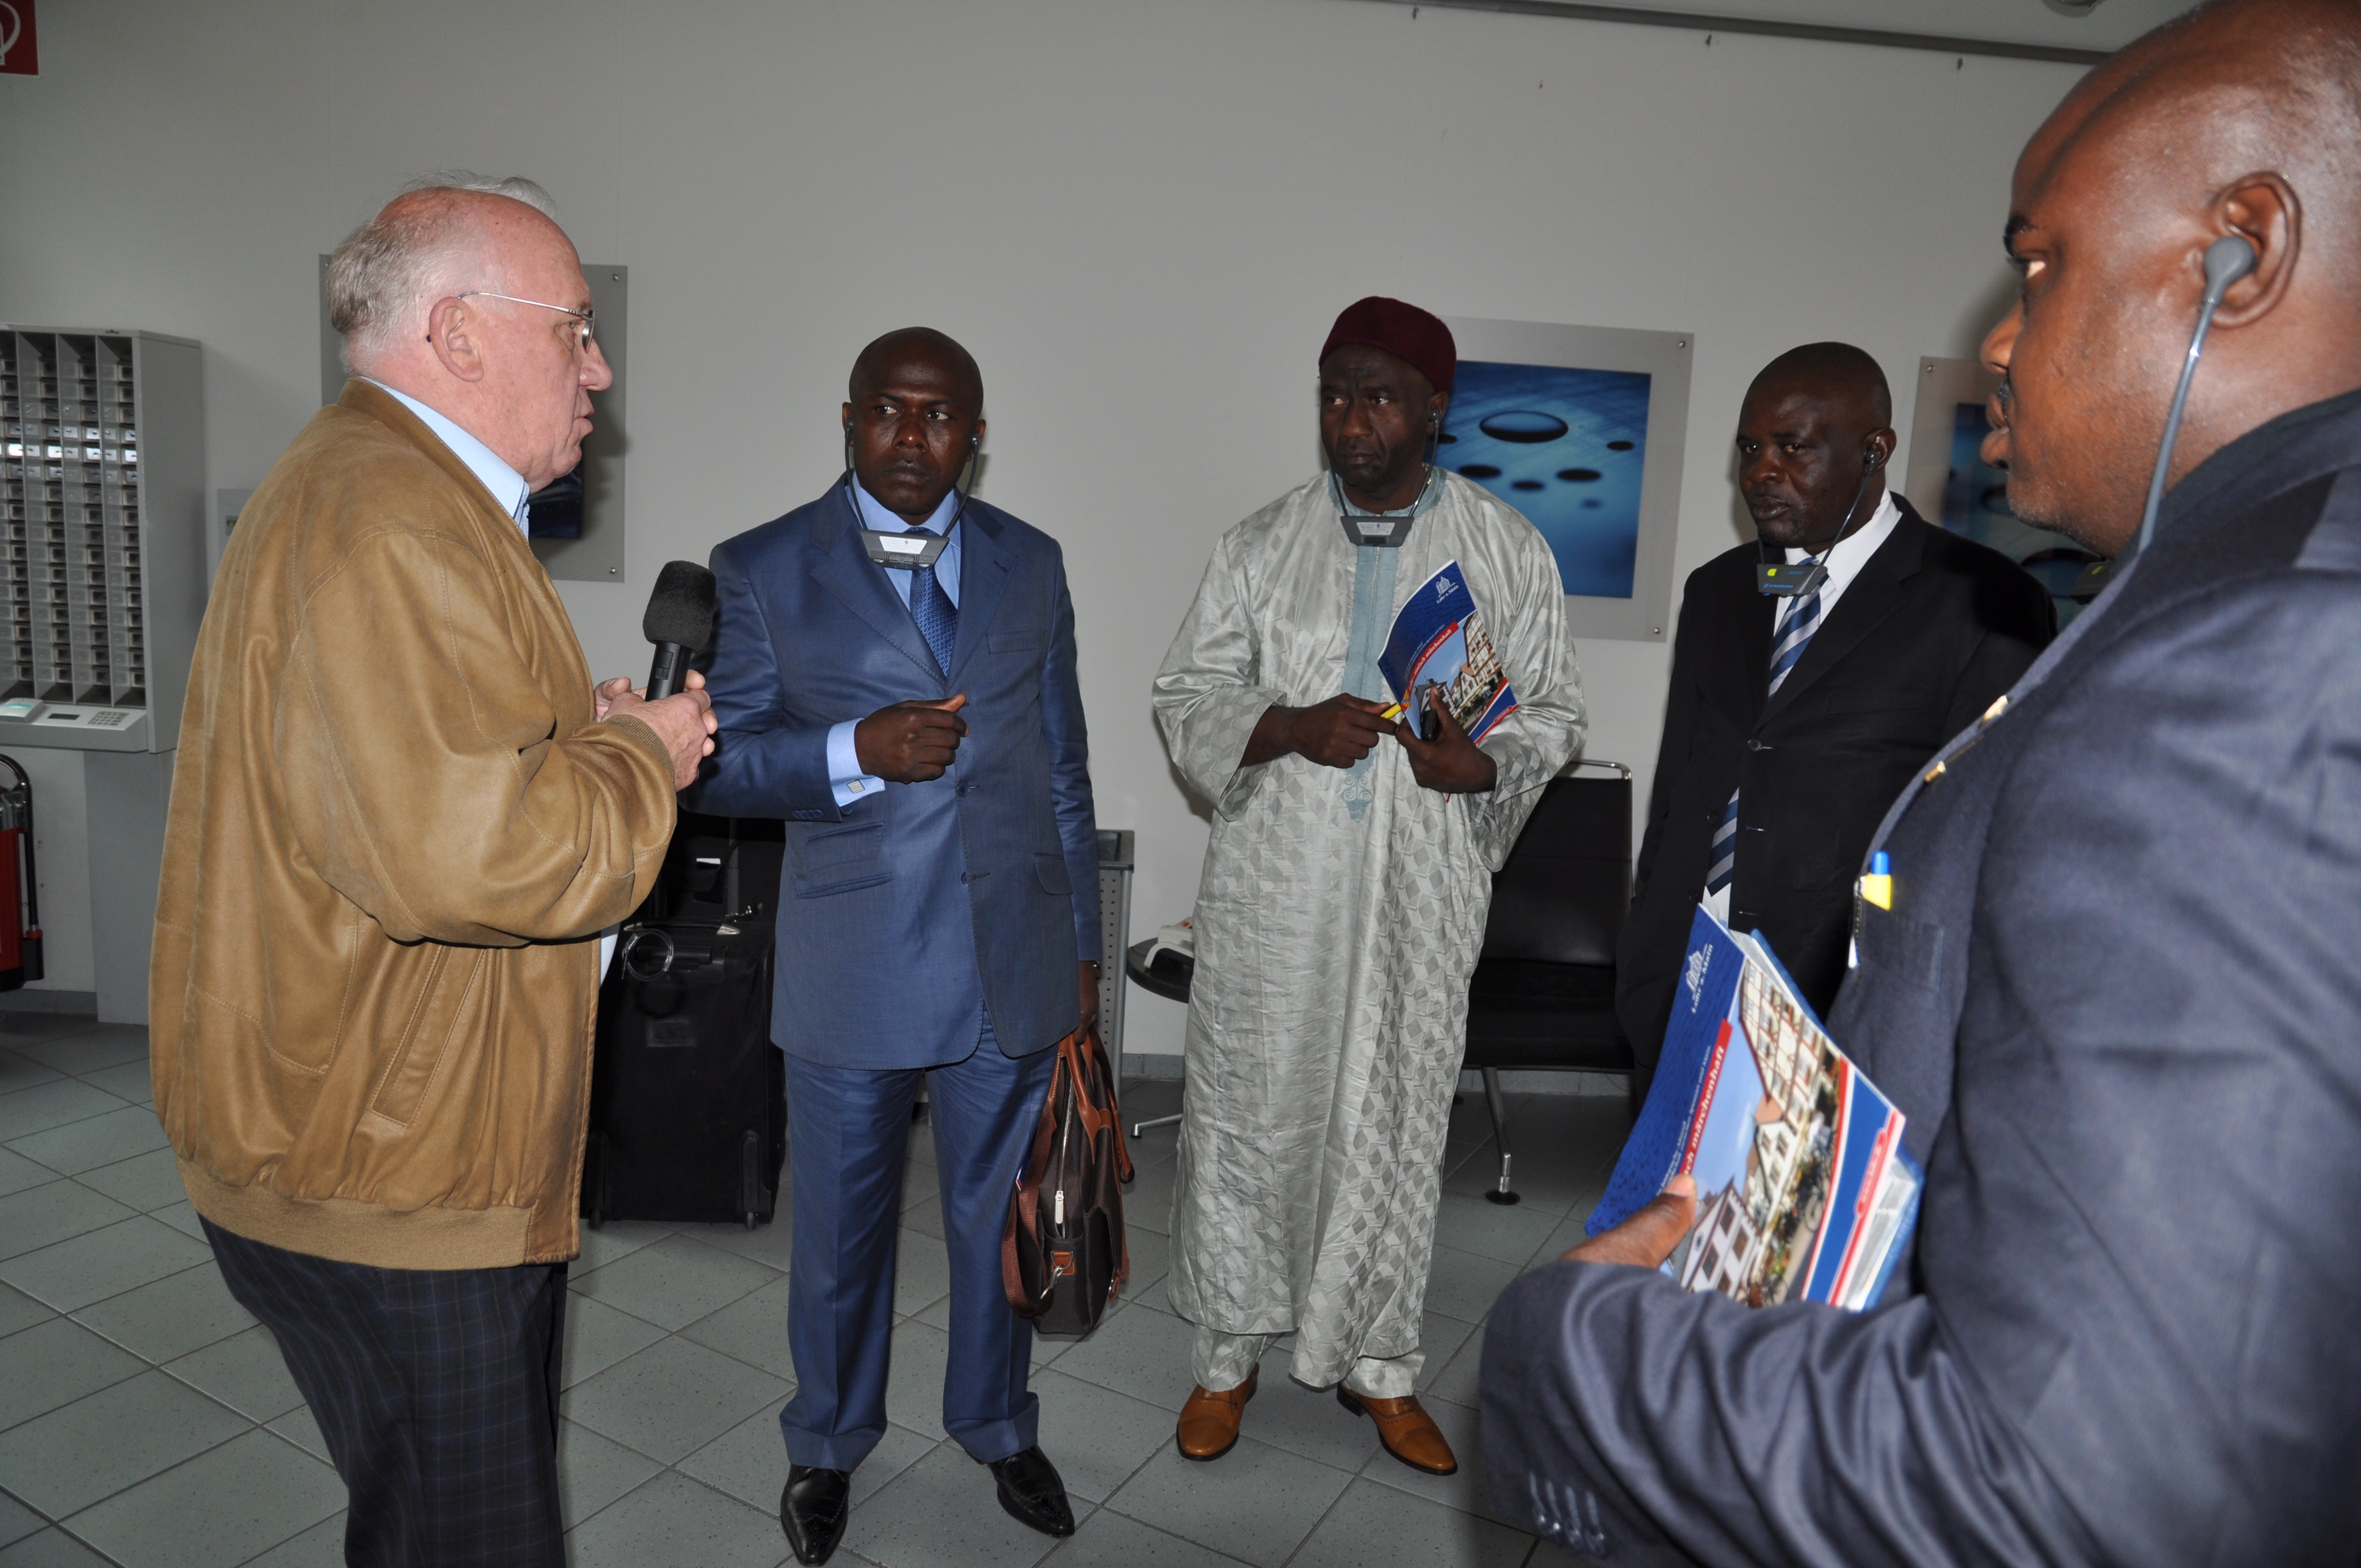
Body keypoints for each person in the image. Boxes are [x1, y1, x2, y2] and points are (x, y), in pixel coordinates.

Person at [1481, 1, 2361, 1560]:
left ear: (2244, 250)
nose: (2004, 340)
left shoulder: (2252, 661)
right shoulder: (2237, 590)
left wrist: (1566, 1347)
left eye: (2040, 264)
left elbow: (2082, 1475)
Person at [150, 175, 716, 1568]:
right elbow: (473, 858)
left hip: (393, 1132)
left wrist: (574, 737)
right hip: (394, 1171)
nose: (599, 369)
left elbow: (412, 782)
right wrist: (640, 756)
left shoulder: (396, 490)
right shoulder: (391, 521)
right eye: (573, 328)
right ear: (458, 332)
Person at [1153, 297, 1585, 1476]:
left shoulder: (1505, 549)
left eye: (1379, 395)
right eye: (1335, 393)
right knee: (1251, 1111)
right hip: (1275, 890)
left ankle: (1382, 1366)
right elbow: (1184, 694)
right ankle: (1226, 1356)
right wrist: (1289, 724)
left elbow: (1554, 712)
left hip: (1418, 890)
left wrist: (1478, 764)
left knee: (1393, 1121)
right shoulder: (1258, 545)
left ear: (1434, 407)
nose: (1351, 419)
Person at [692, 328, 1098, 1566]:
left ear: (976, 435)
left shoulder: (1031, 560)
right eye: (887, 410)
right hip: (855, 954)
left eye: (940, 415)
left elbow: (1063, 767)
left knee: (999, 1223)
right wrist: (853, 752)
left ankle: (996, 1422)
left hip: (1009, 955)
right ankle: (826, 1443)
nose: (912, 435)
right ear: (848, 419)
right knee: (840, 1238)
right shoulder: (762, 565)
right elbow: (717, 766)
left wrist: (1081, 948)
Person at [1617, 344, 2052, 1088]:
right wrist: (1646, 948)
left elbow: (1982, 839)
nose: (1761, 471)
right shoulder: (1718, 590)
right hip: (1686, 980)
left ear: (1874, 450)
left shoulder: (1985, 603)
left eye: (1794, 448)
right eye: (1750, 448)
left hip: (1843, 1003)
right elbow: (1680, 783)